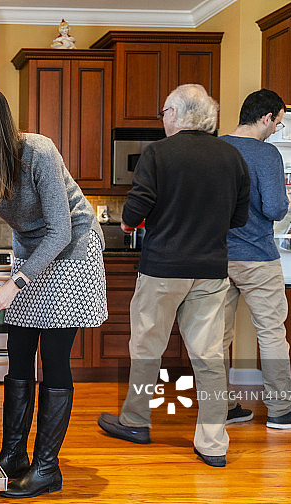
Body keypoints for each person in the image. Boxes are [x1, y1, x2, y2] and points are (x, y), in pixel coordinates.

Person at [0, 87, 108, 498]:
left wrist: (14, 282)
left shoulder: (38, 152)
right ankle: (14, 455)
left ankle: (48, 468)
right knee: (18, 354)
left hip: (73, 250)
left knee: (52, 359)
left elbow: (61, 229)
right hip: (32, 251)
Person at [96, 84, 250, 468]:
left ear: (179, 115)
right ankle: (214, 444)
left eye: (164, 111)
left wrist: (134, 222)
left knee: (147, 349)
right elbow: (239, 218)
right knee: (211, 357)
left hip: (163, 269)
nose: (162, 118)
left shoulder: (158, 154)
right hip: (212, 271)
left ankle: (136, 420)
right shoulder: (232, 156)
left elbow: (133, 214)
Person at [220, 89, 291, 429]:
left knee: (217, 336)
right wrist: (285, 200)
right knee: (272, 333)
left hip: (217, 257)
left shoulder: (216, 147)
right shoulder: (266, 153)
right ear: (265, 117)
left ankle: (225, 407)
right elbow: (274, 208)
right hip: (258, 257)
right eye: (277, 122)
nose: (276, 129)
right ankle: (280, 411)